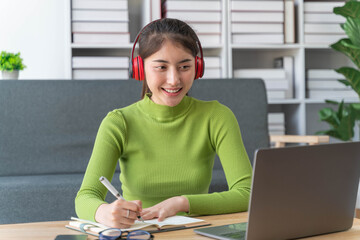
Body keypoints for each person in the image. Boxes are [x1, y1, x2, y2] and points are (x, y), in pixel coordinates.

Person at [75, 18, 252, 229]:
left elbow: (247, 193)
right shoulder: (118, 122)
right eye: (161, 67)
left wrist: (181, 202)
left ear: (198, 67)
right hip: (139, 233)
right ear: (139, 68)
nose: (174, 79)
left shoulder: (217, 117)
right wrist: (103, 212)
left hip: (193, 233)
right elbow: (86, 196)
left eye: (184, 66)